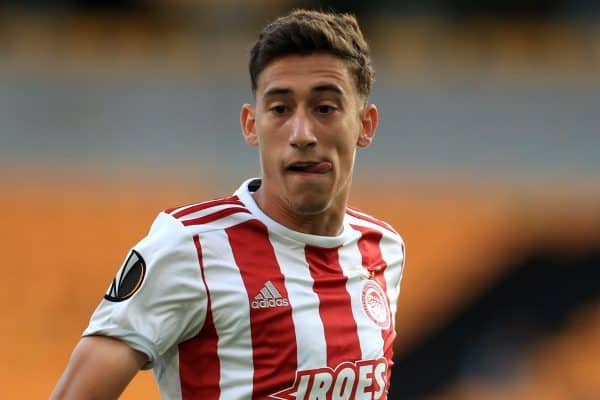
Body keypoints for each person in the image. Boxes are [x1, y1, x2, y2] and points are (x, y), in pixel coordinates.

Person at [51, 9, 405, 400]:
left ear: (365, 125)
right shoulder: (190, 246)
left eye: (325, 108)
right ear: (251, 125)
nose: (302, 134)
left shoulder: (383, 248)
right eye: (280, 109)